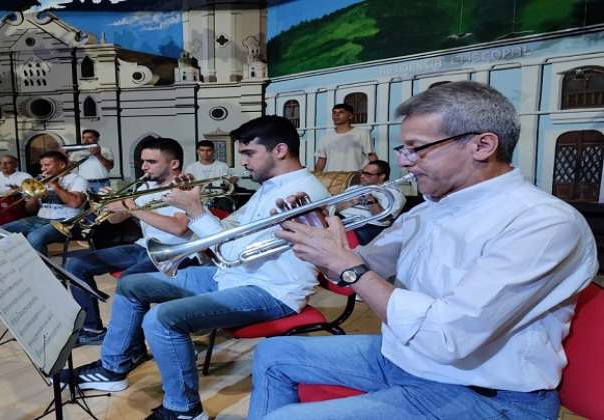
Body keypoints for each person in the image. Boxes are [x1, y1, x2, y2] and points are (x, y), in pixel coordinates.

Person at [247, 81, 598, 419]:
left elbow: (447, 338)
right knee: (273, 353)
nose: (404, 161)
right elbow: (357, 272)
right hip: (407, 358)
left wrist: (351, 267)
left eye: (417, 148)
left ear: (482, 146)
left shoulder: (543, 223)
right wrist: (316, 232)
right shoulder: (430, 208)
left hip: (483, 394)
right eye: (404, 149)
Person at [60, 115, 330, 420]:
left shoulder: (301, 192)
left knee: (160, 319)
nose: (242, 163)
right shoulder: (271, 186)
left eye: (248, 154)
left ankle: (184, 409)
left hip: (270, 290)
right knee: (131, 285)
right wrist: (201, 212)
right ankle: (113, 367)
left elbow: (230, 248)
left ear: (279, 150)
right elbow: (231, 228)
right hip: (232, 275)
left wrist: (195, 210)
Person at [64, 137, 193, 346]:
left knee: (128, 280)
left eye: (151, 162)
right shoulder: (144, 186)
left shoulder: (187, 186)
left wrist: (132, 207)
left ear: (174, 164)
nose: (143, 167)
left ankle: (133, 346)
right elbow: (117, 220)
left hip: (174, 251)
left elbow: (179, 228)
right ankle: (91, 328)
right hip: (143, 246)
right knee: (75, 264)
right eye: (143, 161)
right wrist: (111, 206)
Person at [1, 151, 87, 254]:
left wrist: (55, 186)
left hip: (67, 222)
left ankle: (41, 268)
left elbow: (75, 203)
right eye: (41, 165)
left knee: (34, 237)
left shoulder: (78, 180)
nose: (42, 169)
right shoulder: (42, 181)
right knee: (1, 231)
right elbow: (30, 210)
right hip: (40, 219)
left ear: (62, 165)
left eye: (47, 165)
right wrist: (34, 196)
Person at [336, 160, 406, 245]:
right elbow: (334, 208)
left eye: (367, 174)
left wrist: (371, 201)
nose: (361, 176)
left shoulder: (393, 193)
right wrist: (353, 201)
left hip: (362, 227)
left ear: (382, 176)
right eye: (362, 172)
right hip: (338, 220)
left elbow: (385, 220)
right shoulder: (354, 188)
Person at [314, 103, 377, 172]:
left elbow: (371, 156)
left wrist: (373, 173)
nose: (336, 115)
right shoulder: (325, 137)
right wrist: (315, 177)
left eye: (341, 112)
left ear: (350, 116)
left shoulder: (362, 133)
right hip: (331, 178)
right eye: (334, 113)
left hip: (355, 177)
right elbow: (321, 159)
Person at [69, 129, 115, 193]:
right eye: (83, 137)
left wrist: (98, 155)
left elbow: (110, 166)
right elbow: (69, 167)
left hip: (102, 183)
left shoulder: (105, 150)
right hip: (83, 183)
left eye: (89, 137)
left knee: (104, 202)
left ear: (97, 139)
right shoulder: (77, 152)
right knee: (85, 202)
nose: (86, 140)